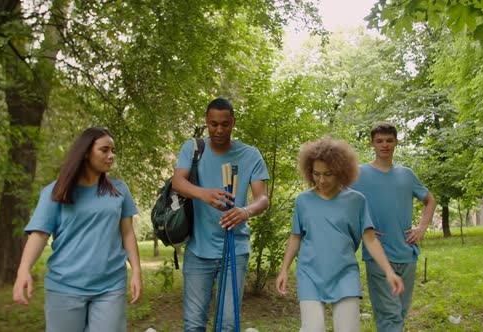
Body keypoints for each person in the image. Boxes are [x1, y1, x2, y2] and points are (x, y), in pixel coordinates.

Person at [12, 127, 142, 332]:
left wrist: (136, 271)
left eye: (113, 151)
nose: (111, 156)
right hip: (65, 287)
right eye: (104, 150)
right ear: (85, 153)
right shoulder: (55, 192)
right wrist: (23, 270)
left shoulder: (120, 190)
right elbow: (39, 234)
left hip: (110, 286)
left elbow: (127, 233)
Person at [276, 136, 404, 332]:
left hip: (345, 274)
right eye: (316, 174)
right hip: (310, 273)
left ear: (341, 171)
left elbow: (370, 239)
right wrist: (284, 269)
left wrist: (388, 271)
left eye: (328, 174)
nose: (322, 180)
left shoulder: (356, 201)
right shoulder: (303, 201)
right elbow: (296, 236)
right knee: (313, 328)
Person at [172, 97, 269, 331]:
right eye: (213, 124)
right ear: (206, 121)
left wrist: (244, 211)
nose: (219, 130)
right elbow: (177, 182)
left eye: (224, 124)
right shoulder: (193, 148)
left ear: (233, 122)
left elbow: (263, 199)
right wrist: (203, 194)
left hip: (234, 250)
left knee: (227, 324)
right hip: (198, 248)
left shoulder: (250, 154)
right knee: (194, 324)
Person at [351, 122, 437, 332]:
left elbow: (430, 200)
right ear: (372, 144)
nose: (385, 145)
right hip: (378, 254)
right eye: (379, 141)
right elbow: (341, 202)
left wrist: (421, 228)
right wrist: (361, 228)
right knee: (389, 316)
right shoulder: (359, 174)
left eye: (389, 140)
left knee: (398, 313)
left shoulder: (407, 175)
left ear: (396, 142)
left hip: (407, 254)